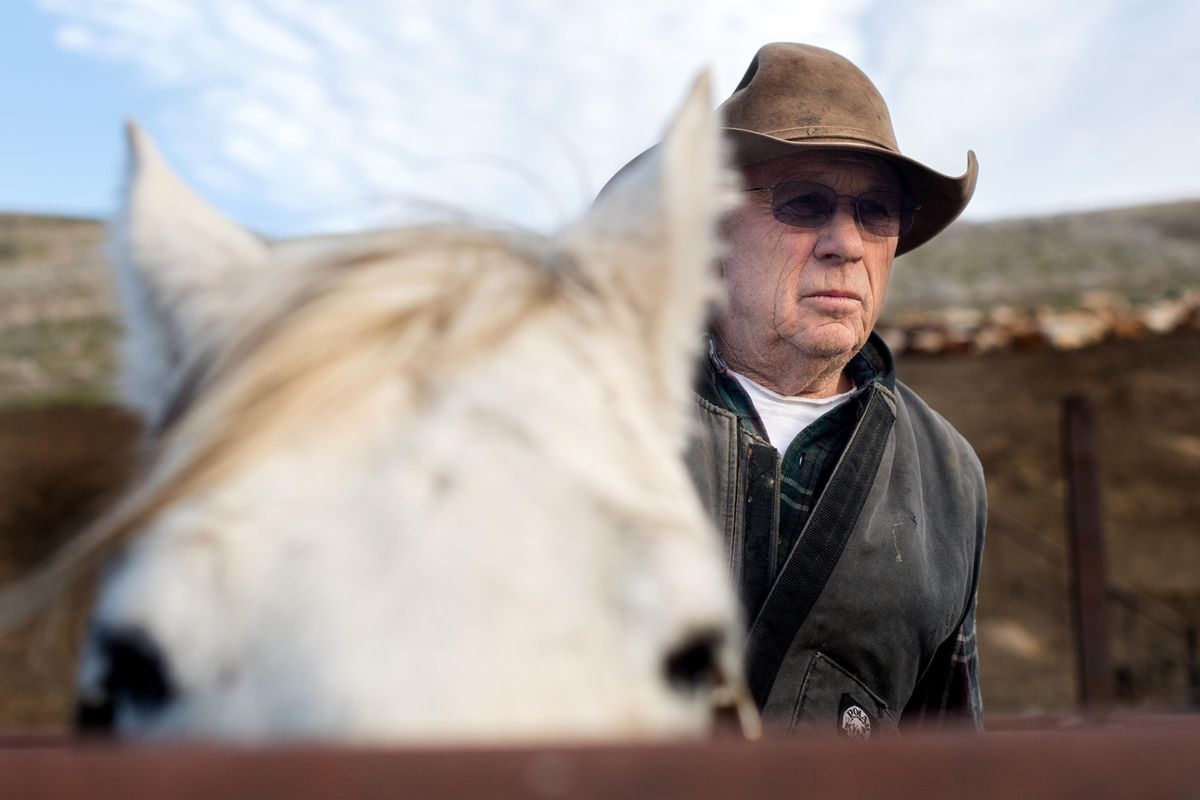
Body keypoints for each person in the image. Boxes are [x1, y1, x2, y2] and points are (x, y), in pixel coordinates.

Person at [618, 42, 986, 737]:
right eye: (806, 202)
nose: (845, 243)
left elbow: (948, 749)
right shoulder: (604, 411)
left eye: (876, 211)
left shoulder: (948, 476)